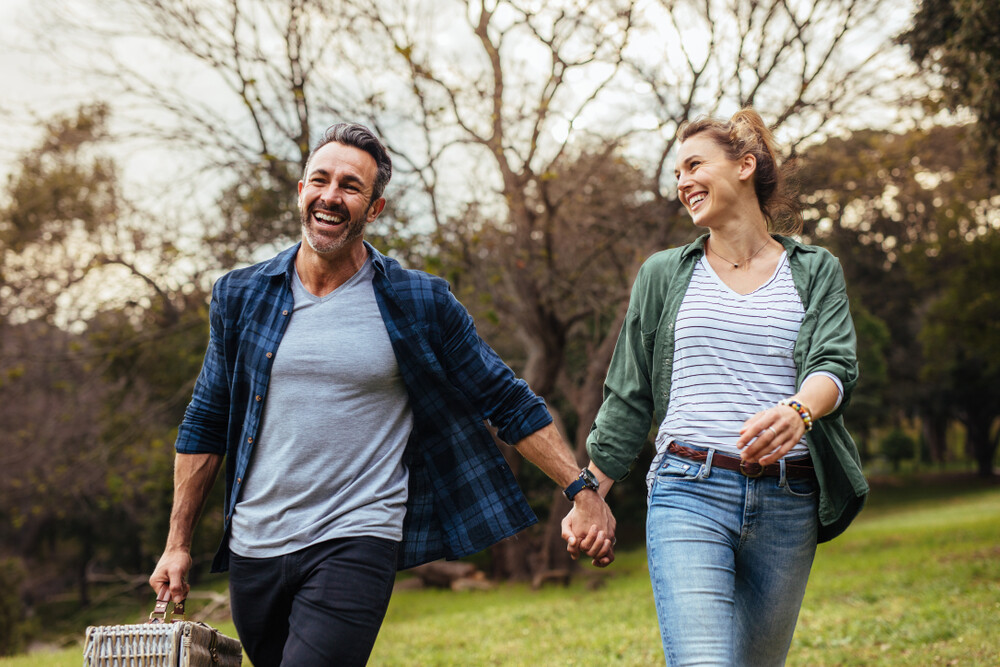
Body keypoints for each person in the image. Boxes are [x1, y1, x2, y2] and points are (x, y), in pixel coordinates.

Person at [149, 122, 615, 667]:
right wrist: (178, 543)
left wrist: (582, 490)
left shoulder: (418, 300)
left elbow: (506, 399)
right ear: (301, 191)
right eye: (319, 180)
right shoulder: (241, 294)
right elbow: (206, 420)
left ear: (375, 209)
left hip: (358, 533)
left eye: (350, 186)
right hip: (256, 545)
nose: (330, 195)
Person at [562, 108, 868, 665]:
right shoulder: (663, 274)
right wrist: (590, 492)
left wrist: (799, 410)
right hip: (689, 487)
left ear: (745, 165)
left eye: (694, 165)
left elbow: (834, 366)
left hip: (789, 499)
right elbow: (629, 395)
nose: (682, 183)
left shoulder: (815, 269)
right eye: (676, 174)